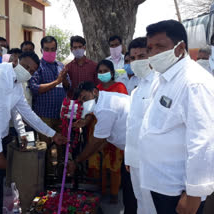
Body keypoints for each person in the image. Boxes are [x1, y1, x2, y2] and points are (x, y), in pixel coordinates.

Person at [0, 51, 66, 214]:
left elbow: (27, 113)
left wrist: (53, 134)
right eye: (26, 66)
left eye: (32, 70)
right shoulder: (0, 76)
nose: (28, 71)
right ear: (15, 61)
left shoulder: (16, 84)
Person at [140, 19, 214, 214]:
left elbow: (203, 143)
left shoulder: (194, 83)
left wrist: (193, 195)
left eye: (160, 46)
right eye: (150, 48)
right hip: (161, 184)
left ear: (180, 48)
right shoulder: (163, 77)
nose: (153, 53)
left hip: (179, 190)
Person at [82, 59, 127, 203]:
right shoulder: (97, 88)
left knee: (113, 163)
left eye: (105, 71)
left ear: (112, 73)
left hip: (114, 132)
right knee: (96, 161)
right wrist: (84, 121)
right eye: (99, 72)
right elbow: (91, 110)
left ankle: (114, 193)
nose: (102, 74)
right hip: (96, 129)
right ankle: (99, 191)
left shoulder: (119, 87)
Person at [124, 37, 158, 214]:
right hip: (136, 159)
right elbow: (132, 125)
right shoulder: (137, 90)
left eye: (142, 56)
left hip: (153, 161)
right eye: (133, 58)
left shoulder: (160, 84)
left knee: (153, 205)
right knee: (141, 202)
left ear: (151, 55)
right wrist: (129, 157)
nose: (137, 62)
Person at [68, 81, 130, 175]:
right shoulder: (104, 98)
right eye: (81, 102)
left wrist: (76, 161)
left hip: (138, 146)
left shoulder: (105, 108)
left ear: (95, 92)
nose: (84, 103)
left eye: (85, 98)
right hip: (132, 145)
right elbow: (102, 140)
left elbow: (97, 140)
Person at [28, 36, 70, 175]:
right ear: (41, 50)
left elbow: (68, 87)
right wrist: (57, 81)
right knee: (45, 148)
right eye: (47, 49)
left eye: (53, 49)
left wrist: (64, 81)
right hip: (43, 116)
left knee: (62, 147)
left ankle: (61, 175)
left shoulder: (61, 66)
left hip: (60, 115)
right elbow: (35, 88)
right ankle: (46, 176)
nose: (50, 52)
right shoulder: (37, 67)